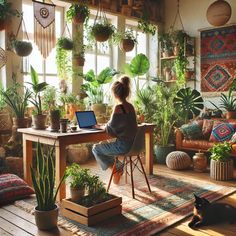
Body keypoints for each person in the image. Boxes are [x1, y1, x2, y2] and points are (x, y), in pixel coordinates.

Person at [92, 76, 138, 184]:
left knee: (96, 149)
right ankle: (117, 166)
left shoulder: (119, 108)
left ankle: (116, 168)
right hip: (134, 145)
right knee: (103, 143)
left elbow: (110, 128)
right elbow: (120, 125)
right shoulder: (131, 107)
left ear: (115, 94)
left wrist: (100, 126)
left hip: (123, 146)